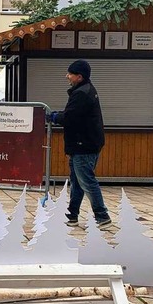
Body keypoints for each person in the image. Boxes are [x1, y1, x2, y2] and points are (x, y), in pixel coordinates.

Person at [49, 60, 112, 229]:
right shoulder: (85, 90)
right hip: (84, 143)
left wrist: (54, 117)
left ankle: (102, 216)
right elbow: (74, 114)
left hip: (84, 144)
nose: (66, 76)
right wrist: (57, 115)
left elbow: (70, 117)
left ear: (79, 76)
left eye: (69, 74)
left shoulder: (82, 94)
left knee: (86, 181)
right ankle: (72, 216)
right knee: (77, 182)